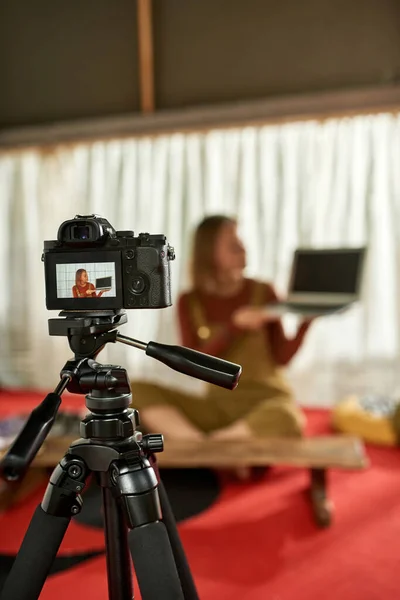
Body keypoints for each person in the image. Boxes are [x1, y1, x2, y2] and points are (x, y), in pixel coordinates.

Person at [132, 215, 313, 444]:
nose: (242, 247)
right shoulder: (190, 301)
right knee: (134, 390)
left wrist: (306, 322)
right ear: (209, 251)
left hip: (266, 402)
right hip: (217, 407)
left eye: (241, 241)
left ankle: (210, 449)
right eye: (232, 242)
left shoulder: (263, 291)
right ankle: (210, 447)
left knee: (287, 416)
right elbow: (192, 365)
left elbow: (282, 357)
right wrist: (234, 327)